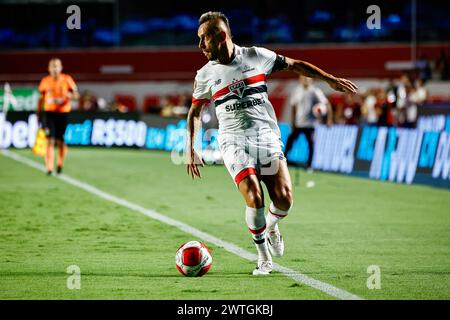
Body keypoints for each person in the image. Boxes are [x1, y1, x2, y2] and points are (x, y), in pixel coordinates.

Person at [186, 12, 357, 275]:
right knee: (254, 196)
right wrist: (191, 147)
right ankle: (264, 257)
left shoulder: (256, 56)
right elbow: (195, 112)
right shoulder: (205, 74)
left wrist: (329, 79)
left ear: (221, 36)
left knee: (285, 199)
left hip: (265, 137)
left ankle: (272, 226)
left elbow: (295, 64)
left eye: (204, 39)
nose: (200, 46)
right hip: (233, 141)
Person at [37, 58, 78, 175]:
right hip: (49, 113)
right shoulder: (45, 81)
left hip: (63, 113)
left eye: (57, 66)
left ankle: (60, 163)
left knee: (61, 140)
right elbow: (40, 99)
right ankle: (49, 167)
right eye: (52, 67)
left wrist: (69, 95)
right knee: (49, 139)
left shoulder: (67, 80)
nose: (55, 69)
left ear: (61, 68)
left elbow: (76, 95)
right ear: (49, 69)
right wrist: (38, 113)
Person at [284, 75, 333, 170]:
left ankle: (309, 165)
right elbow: (294, 107)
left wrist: (328, 119)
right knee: (291, 140)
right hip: (299, 122)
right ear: (300, 80)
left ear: (311, 80)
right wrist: (293, 121)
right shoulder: (296, 91)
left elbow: (327, 104)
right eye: (303, 78)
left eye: (307, 78)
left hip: (310, 123)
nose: (305, 80)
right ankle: (284, 160)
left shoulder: (315, 91)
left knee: (311, 143)